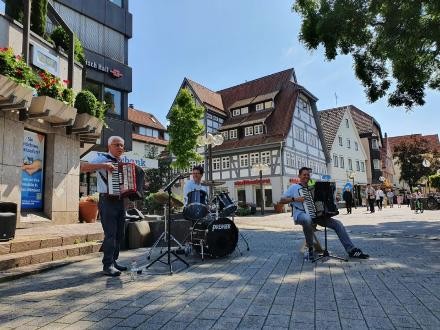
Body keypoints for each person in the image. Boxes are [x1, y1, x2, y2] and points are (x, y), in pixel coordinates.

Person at [279, 167, 369, 261]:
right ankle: (310, 248)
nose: (306, 176)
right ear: (299, 176)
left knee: (338, 224)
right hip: (301, 214)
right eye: (304, 174)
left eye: (308, 175)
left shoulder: (313, 187)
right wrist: (295, 199)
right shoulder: (294, 187)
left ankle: (351, 250)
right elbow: (281, 200)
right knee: (307, 219)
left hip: (316, 215)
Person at [80, 136, 127, 277]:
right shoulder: (101, 158)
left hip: (120, 201)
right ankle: (107, 265)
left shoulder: (122, 162)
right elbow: (83, 168)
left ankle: (114, 261)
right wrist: (103, 166)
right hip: (107, 200)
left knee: (120, 233)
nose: (119, 147)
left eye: (121, 145)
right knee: (111, 234)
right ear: (109, 146)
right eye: (116, 145)